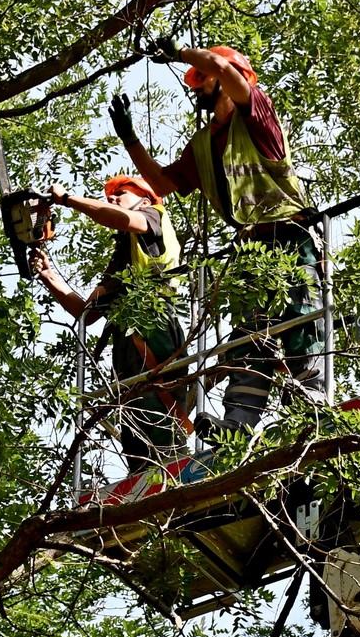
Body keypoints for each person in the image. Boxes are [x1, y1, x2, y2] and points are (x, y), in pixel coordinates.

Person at [108, 38, 325, 440]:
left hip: (288, 235)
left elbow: (224, 69)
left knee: (300, 319)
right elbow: (161, 182)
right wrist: (130, 139)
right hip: (248, 249)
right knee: (247, 338)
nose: (198, 85)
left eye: (204, 77)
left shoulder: (257, 114)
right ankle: (238, 422)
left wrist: (179, 53)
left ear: (233, 78)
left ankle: (311, 403)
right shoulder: (204, 144)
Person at [30, 175, 189, 473]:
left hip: (154, 323)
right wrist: (49, 277)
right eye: (111, 195)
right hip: (126, 338)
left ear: (144, 198)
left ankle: (172, 474)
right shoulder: (123, 256)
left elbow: (117, 218)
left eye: (121, 193)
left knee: (155, 407)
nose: (113, 198)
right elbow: (87, 313)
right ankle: (143, 477)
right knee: (132, 417)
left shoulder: (152, 217)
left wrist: (68, 200)